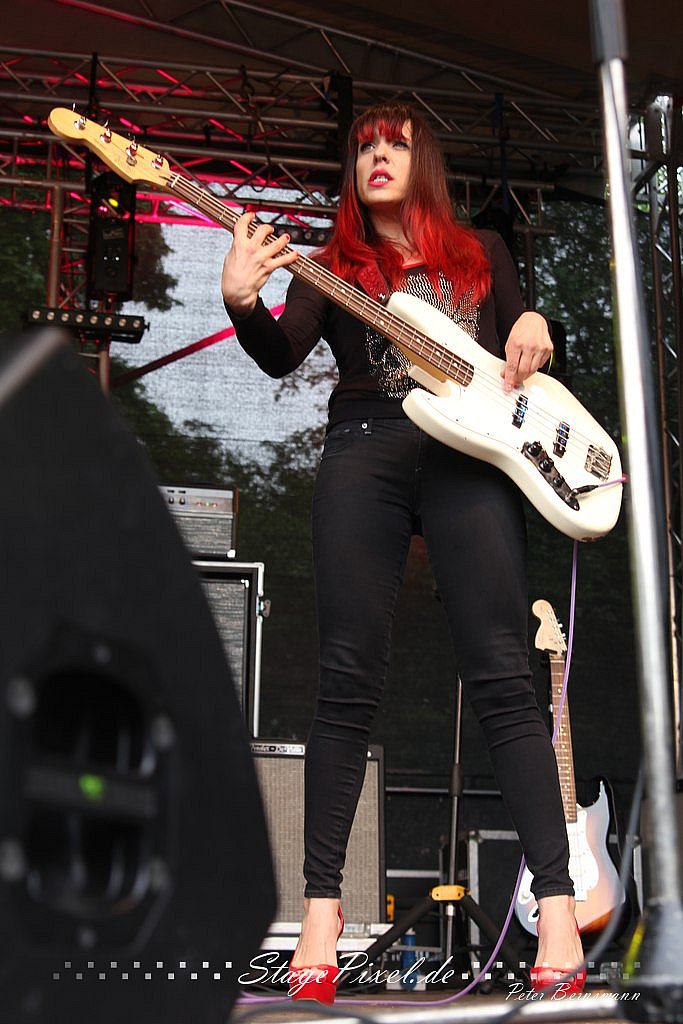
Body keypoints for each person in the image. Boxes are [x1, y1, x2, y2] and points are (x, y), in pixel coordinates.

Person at [221, 102, 585, 1001]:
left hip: (471, 460)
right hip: (365, 448)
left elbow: (525, 355)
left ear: (424, 163)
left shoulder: (481, 252)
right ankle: (320, 909)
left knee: (503, 675)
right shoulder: (333, 263)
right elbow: (281, 353)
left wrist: (536, 323)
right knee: (345, 679)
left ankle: (558, 905)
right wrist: (241, 301)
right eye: (363, 148)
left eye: (394, 144)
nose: (376, 157)